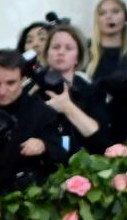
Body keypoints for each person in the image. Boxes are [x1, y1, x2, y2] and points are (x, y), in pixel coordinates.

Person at [0, 50, 66, 197]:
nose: (2, 91)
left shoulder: (40, 111)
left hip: (22, 195)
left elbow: (59, 153)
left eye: (10, 83)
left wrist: (43, 145)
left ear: (23, 79)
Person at [38, 25, 110, 155]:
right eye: (55, 47)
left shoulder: (91, 91)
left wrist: (67, 107)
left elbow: (101, 142)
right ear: (47, 53)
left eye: (68, 48)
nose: (61, 52)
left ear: (78, 56)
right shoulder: (33, 88)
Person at [87, 0, 127, 82]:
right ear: (97, 20)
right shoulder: (86, 52)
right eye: (102, 13)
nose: (108, 17)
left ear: (126, 19)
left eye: (115, 12)